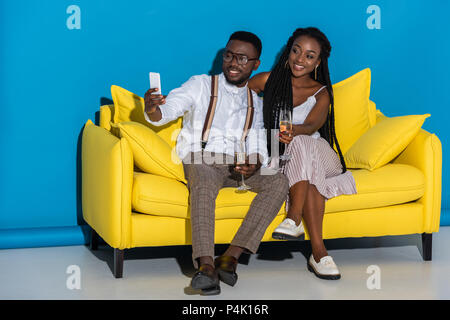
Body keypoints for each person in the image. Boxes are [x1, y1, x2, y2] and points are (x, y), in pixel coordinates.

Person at [143, 31, 289, 295]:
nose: (234, 63)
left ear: (256, 64)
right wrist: (154, 109)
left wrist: (254, 163)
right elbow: (168, 110)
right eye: (229, 56)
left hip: (236, 164)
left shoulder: (255, 101)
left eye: (242, 59)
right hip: (203, 158)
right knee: (204, 182)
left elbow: (256, 140)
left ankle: (230, 257)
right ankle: (206, 267)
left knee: (278, 181)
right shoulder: (200, 85)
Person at [248, 27, 357, 280]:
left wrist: (293, 130)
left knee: (303, 141)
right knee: (305, 168)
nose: (300, 59)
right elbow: (239, 98)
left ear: (318, 62)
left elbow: (311, 127)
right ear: (289, 51)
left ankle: (293, 217)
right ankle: (319, 252)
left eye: (309, 56)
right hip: (284, 159)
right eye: (296, 51)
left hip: (321, 154)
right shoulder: (268, 80)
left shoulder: (321, 92)